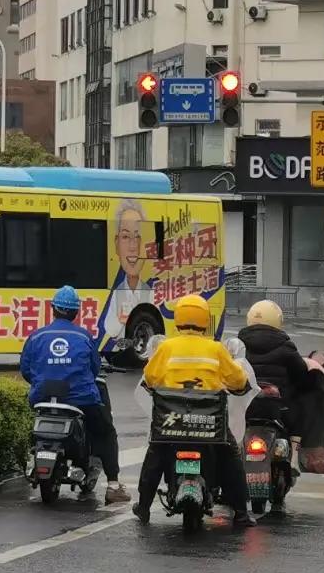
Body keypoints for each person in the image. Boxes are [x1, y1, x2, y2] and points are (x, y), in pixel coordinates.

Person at [133, 293, 255, 528]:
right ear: (204, 319)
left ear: (178, 317)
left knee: (155, 454)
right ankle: (241, 512)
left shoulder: (166, 348)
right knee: (231, 456)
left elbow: (149, 378)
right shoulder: (216, 349)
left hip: (170, 423)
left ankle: (144, 507)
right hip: (209, 426)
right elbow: (238, 380)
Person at [19, 285, 129, 505]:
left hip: (42, 399)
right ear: (76, 312)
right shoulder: (83, 336)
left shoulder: (37, 336)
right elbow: (94, 368)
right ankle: (114, 486)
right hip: (80, 400)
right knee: (106, 432)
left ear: (53, 309)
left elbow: (26, 370)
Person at [99, 200, 154, 342]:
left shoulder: (150, 293)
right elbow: (110, 329)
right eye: (125, 236)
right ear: (116, 244)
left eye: (138, 237)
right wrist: (120, 320)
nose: (132, 246)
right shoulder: (117, 292)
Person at [238, 301, 310, 406]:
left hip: (244, 405)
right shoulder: (286, 346)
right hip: (278, 406)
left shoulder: (238, 345)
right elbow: (301, 374)